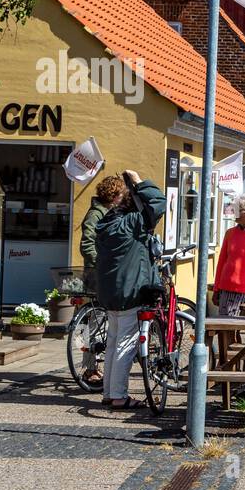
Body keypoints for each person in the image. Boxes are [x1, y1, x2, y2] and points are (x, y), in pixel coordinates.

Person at [94, 171, 166, 408]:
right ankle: (118, 396)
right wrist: (139, 181)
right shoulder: (132, 223)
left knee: (114, 343)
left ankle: (108, 393)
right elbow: (158, 203)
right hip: (129, 292)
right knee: (125, 344)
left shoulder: (106, 224)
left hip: (110, 293)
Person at [76, 188, 111, 388]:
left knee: (93, 323)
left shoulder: (106, 213)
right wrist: (102, 262)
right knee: (91, 324)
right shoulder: (95, 214)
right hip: (96, 273)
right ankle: (89, 368)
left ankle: (91, 366)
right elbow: (87, 244)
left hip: (101, 272)